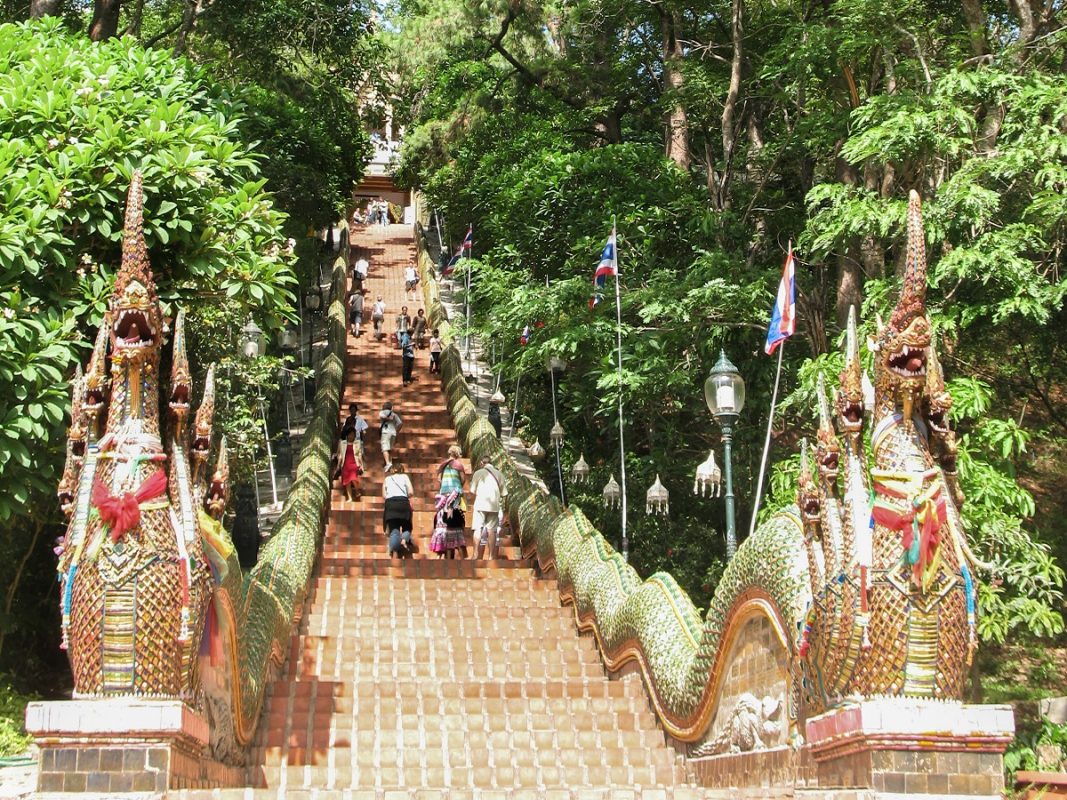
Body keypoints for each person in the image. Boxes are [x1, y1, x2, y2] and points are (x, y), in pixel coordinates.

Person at [470, 456, 507, 560]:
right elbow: (504, 493)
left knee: (478, 528)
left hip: (480, 504)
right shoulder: (499, 474)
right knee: (492, 531)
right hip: (494, 506)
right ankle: (491, 556)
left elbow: (472, 490)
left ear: (482, 463)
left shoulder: (478, 473)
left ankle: (475, 554)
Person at [382, 462, 414, 558]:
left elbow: (384, 495)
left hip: (391, 504)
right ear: (401, 470)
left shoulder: (387, 479)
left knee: (394, 530)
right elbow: (411, 492)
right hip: (403, 503)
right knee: (407, 526)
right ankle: (404, 540)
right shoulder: (405, 477)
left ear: (392, 470)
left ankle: (395, 553)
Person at [430, 491, 466, 559]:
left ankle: (448, 561)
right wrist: (462, 528)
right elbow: (462, 521)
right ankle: (462, 560)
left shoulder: (440, 513)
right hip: (457, 531)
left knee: (449, 547)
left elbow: (445, 521)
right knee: (460, 546)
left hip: (449, 530)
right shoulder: (458, 511)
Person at [334, 429, 364, 502]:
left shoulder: (357, 443)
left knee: (353, 478)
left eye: (353, 435)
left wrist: (361, 465)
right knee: (347, 482)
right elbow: (340, 455)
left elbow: (359, 454)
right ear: (347, 435)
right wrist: (338, 466)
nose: (352, 436)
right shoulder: (342, 443)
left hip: (354, 464)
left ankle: (357, 491)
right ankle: (350, 497)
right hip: (345, 465)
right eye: (350, 434)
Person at [379, 401, 402, 470]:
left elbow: (383, 417)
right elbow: (400, 424)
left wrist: (388, 419)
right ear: (391, 407)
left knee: (384, 448)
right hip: (393, 433)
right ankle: (390, 462)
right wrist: (397, 431)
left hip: (385, 432)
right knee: (390, 448)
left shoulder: (382, 412)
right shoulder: (395, 415)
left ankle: (388, 463)